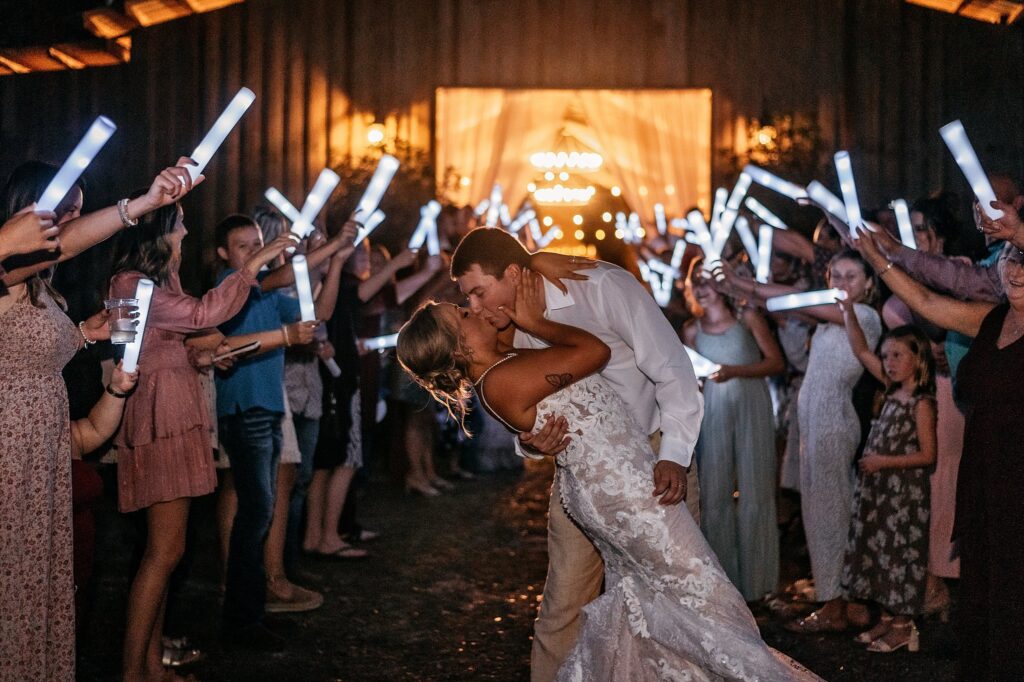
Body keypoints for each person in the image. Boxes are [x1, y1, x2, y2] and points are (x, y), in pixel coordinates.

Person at [396, 270, 819, 681]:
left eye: (474, 297)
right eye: (465, 313)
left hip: (628, 480)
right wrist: (535, 323)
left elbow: (642, 371)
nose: (476, 309)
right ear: (458, 350)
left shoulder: (529, 343)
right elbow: (594, 353)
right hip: (623, 495)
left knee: (656, 604)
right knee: (704, 595)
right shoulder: (503, 371)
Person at [449, 228, 704, 680]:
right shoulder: (504, 326)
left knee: (673, 602)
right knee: (563, 604)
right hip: (583, 478)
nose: (475, 307)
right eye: (467, 299)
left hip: (656, 456)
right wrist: (529, 441)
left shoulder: (603, 287)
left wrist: (675, 455)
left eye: (477, 292)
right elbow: (517, 399)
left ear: (512, 273)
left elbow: (673, 369)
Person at [0, 158, 193, 682]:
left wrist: (95, 348)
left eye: (78, 213)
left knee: (34, 604)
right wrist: (140, 206)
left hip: (45, 466)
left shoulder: (43, 287)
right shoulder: (7, 272)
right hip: (8, 470)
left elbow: (84, 428)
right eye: (58, 211)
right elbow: (61, 244)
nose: (67, 224)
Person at [108, 199, 296, 681]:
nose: (186, 233)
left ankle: (152, 667)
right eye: (180, 226)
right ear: (158, 235)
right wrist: (256, 262)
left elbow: (172, 338)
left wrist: (200, 353)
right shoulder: (134, 283)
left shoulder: (159, 283)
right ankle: (133, 673)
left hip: (175, 406)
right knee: (163, 551)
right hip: (159, 415)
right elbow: (204, 311)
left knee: (167, 551)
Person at [856, 225, 1024, 679]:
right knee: (984, 589)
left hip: (1020, 479)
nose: (1015, 270)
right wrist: (881, 262)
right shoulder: (988, 319)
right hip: (983, 470)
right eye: (1010, 259)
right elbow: (927, 303)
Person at [716, 250, 881, 632]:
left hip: (833, 420)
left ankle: (834, 605)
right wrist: (736, 286)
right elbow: (780, 302)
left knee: (829, 510)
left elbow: (787, 296)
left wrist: (741, 282)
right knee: (816, 509)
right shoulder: (828, 317)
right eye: (835, 274)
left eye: (852, 277)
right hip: (813, 421)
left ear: (870, 284)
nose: (841, 283)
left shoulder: (863, 316)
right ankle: (834, 594)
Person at [682, 259, 784, 602]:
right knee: (715, 489)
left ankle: (759, 582)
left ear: (723, 286)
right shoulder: (692, 331)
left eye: (707, 280)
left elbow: (775, 362)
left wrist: (734, 371)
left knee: (756, 488)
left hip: (750, 403)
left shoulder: (748, 320)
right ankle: (722, 581)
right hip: (713, 410)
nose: (701, 287)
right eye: (696, 281)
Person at [838, 320, 937, 652]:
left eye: (897, 355)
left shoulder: (921, 403)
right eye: (886, 356)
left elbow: (927, 454)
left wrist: (883, 462)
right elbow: (861, 350)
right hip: (880, 493)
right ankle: (885, 619)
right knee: (879, 554)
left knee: (899, 555)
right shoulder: (890, 391)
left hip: (903, 494)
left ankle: (904, 627)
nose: (889, 362)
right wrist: (847, 311)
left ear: (917, 358)